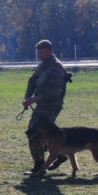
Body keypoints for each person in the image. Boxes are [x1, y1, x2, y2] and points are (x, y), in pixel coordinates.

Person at [22, 39, 70, 175]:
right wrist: (27, 97)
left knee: (34, 135)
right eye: (38, 53)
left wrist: (34, 99)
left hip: (51, 106)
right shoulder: (42, 66)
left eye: (42, 52)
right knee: (37, 133)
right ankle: (59, 155)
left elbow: (54, 93)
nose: (40, 55)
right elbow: (32, 81)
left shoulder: (56, 68)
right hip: (41, 105)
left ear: (50, 51)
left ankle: (39, 166)